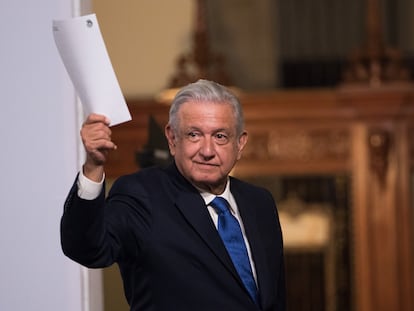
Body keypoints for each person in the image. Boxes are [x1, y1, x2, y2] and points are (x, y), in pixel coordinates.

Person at [61, 79, 286, 311]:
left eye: (220, 136)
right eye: (194, 135)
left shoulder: (260, 202)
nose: (207, 151)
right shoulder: (142, 195)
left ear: (240, 144)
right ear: (172, 138)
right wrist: (93, 167)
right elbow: (87, 249)